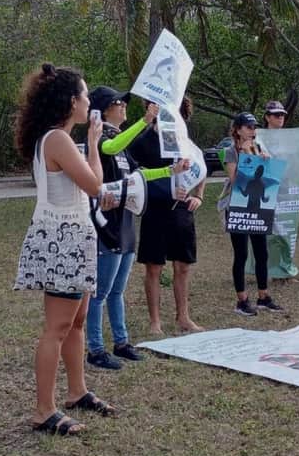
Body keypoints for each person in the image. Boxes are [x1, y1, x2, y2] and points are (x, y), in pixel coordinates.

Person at [14, 64, 117, 435]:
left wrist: (90, 144)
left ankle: (77, 391)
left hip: (73, 237)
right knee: (57, 327)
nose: (90, 102)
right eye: (85, 95)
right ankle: (44, 410)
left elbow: (94, 182)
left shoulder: (62, 140)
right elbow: (94, 186)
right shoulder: (56, 139)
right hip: (62, 241)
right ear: (72, 101)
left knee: (76, 321)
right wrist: (92, 145)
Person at [84, 85, 185, 369]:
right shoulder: (100, 136)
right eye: (119, 103)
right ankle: (95, 348)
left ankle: (122, 341)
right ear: (104, 109)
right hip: (107, 225)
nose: (124, 107)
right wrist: (145, 121)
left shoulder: (120, 138)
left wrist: (169, 171)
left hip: (126, 222)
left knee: (117, 291)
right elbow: (109, 148)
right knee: (99, 293)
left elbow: (138, 174)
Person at [131, 97, 205, 335]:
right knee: (154, 267)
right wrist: (164, 187)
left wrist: (199, 196)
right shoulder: (143, 142)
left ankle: (183, 317)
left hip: (182, 211)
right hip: (155, 209)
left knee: (182, 266)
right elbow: (134, 177)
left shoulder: (184, 142)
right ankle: (155, 322)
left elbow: (201, 168)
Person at [221, 112, 282, 317]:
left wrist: (264, 159)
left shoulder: (259, 148)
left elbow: (268, 174)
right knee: (241, 254)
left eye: (254, 127)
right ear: (238, 130)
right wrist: (247, 157)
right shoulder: (230, 151)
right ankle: (242, 300)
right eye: (248, 127)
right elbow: (236, 179)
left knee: (261, 253)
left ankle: (263, 297)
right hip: (237, 209)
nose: (252, 131)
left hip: (257, 210)